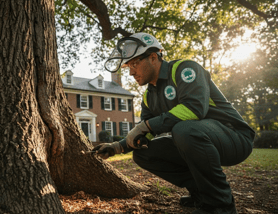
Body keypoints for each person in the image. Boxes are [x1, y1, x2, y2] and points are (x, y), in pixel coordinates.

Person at [92, 32, 255, 214]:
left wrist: (146, 126)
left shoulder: (185, 69)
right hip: (198, 140)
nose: (131, 72)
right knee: (143, 154)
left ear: (153, 57)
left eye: (135, 63)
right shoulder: (148, 97)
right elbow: (143, 132)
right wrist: (116, 147)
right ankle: (201, 193)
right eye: (128, 66)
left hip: (234, 137)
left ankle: (220, 205)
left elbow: (194, 108)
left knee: (183, 129)